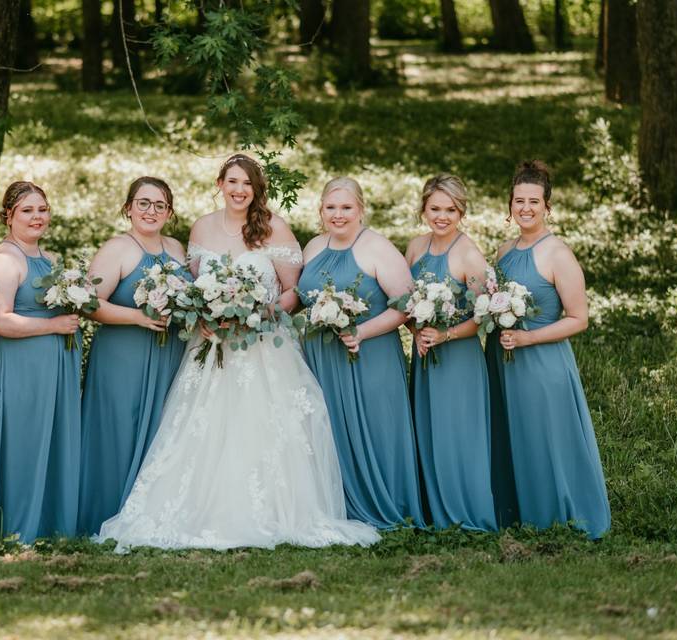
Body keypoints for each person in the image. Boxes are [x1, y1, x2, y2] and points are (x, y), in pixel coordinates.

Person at [97, 154, 380, 550]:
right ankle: (199, 510)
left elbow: (293, 293)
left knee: (262, 425)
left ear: (256, 188)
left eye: (247, 183)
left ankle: (271, 513)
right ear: (221, 183)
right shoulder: (201, 229)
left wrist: (261, 313)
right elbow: (192, 290)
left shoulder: (274, 229)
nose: (239, 190)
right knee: (204, 427)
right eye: (232, 181)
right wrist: (203, 316)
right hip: (211, 346)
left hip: (264, 345)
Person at [488, 160, 610, 539]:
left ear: (547, 207)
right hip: (504, 358)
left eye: (534, 202)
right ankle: (520, 511)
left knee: (548, 438)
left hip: (542, 360)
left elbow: (579, 318)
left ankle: (560, 517)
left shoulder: (558, 253)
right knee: (515, 435)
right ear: (510, 204)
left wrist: (528, 338)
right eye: (518, 200)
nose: (525, 208)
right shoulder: (504, 250)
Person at [299, 177, 424, 529]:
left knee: (376, 428)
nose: (338, 215)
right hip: (322, 359)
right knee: (330, 431)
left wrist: (361, 332)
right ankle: (339, 505)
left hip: (369, 356)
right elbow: (300, 296)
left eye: (346, 208)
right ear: (321, 210)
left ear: (361, 209)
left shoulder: (378, 248)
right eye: (330, 208)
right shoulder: (312, 247)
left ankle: (387, 504)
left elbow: (405, 306)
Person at [0, 181, 82, 543]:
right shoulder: (4, 260)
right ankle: (12, 522)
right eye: (28, 211)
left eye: (42, 209)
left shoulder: (48, 260)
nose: (37, 217)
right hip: (17, 369)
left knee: (45, 442)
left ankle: (46, 521)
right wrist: (54, 325)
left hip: (51, 369)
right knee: (20, 444)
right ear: (8, 216)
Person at [78, 177, 191, 535]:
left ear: (169, 212)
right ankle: (107, 511)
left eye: (160, 205)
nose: (151, 211)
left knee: (163, 427)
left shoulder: (176, 249)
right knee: (119, 428)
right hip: (122, 355)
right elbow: (89, 304)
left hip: (168, 353)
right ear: (128, 208)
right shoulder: (117, 249)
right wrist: (138, 317)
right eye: (143, 203)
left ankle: (151, 514)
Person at [405, 174, 497, 531]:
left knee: (458, 433)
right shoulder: (415, 247)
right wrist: (416, 329)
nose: (442, 216)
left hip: (459, 357)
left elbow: (485, 314)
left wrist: (444, 335)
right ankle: (433, 510)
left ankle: (466, 513)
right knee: (428, 428)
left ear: (461, 211)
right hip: (426, 355)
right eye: (435, 208)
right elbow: (405, 301)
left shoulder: (469, 254)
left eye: (451, 210)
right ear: (424, 209)